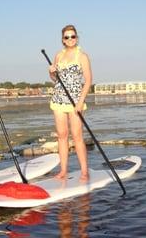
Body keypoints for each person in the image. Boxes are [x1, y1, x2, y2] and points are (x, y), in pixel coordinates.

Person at [48, 24, 92, 181]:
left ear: (77, 38)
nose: (70, 39)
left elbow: (88, 81)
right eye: (67, 37)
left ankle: (84, 171)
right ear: (63, 40)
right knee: (62, 135)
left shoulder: (82, 56)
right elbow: (55, 80)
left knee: (77, 136)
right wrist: (51, 72)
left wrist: (80, 102)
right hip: (58, 98)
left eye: (73, 36)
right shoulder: (58, 56)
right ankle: (63, 171)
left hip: (75, 100)